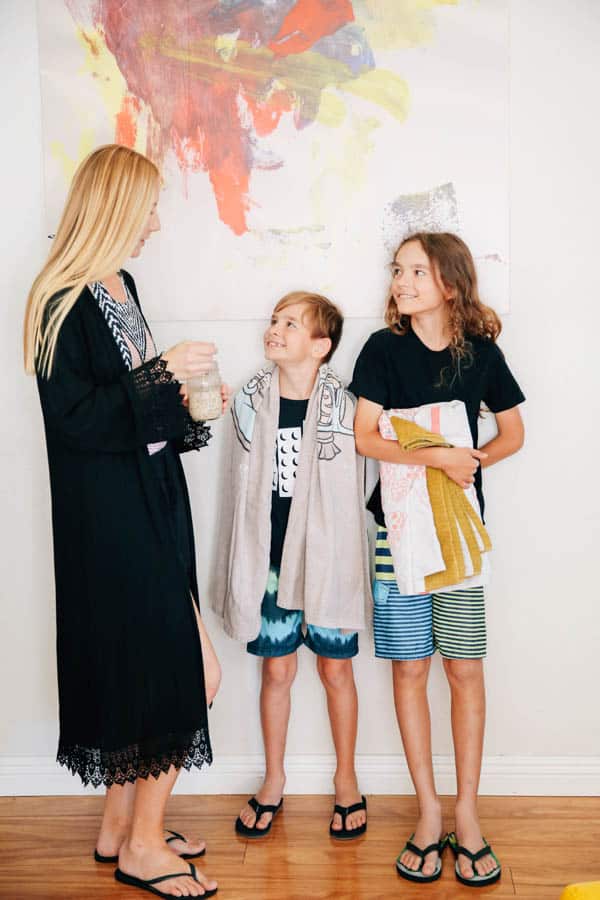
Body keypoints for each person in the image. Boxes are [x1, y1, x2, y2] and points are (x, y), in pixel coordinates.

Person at [24, 144, 223, 899]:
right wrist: (161, 373)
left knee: (152, 668)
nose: (155, 223)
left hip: (154, 501)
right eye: (147, 208)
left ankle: (118, 830)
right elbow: (75, 421)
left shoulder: (121, 284)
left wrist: (189, 400)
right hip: (109, 519)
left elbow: (139, 408)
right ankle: (144, 846)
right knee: (186, 673)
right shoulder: (61, 302)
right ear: (113, 208)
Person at [350, 232, 525, 888]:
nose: (402, 280)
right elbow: (366, 437)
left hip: (457, 540)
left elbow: (512, 433)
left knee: (465, 671)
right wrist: (437, 456)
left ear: (449, 283)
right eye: (398, 270)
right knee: (408, 671)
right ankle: (428, 815)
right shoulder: (381, 350)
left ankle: (466, 814)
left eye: (416, 271)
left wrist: (471, 461)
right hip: (397, 537)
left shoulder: (479, 353)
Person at [212, 291, 371, 839]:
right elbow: (240, 484)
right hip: (271, 561)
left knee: (335, 670)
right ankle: (274, 778)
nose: (274, 329)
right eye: (273, 320)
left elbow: (362, 478)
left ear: (321, 346)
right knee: (276, 670)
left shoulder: (346, 408)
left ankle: (346, 780)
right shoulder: (251, 399)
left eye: (290, 324)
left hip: (327, 560)